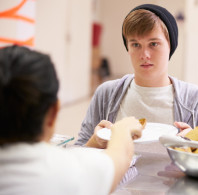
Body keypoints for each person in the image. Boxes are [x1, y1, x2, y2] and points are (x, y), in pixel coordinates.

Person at [75, 4, 198, 148]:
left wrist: (194, 146)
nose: (144, 55)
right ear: (128, 47)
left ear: (170, 46)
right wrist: (95, 142)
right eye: (135, 45)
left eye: (153, 44)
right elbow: (79, 154)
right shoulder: (106, 95)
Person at [0, 45, 143, 195]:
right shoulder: (67, 172)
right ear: (53, 112)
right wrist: (122, 129)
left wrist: (93, 142)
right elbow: (119, 159)